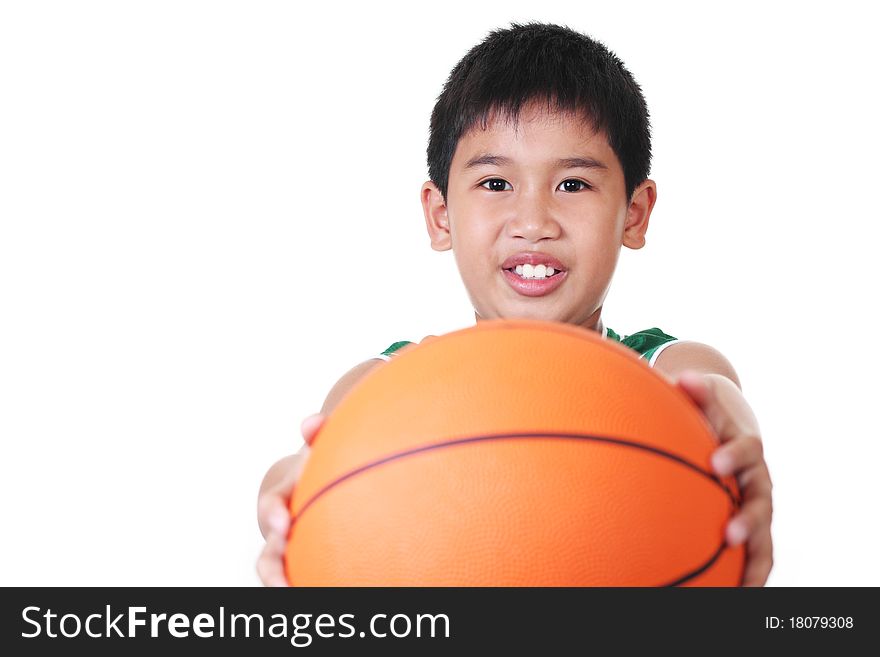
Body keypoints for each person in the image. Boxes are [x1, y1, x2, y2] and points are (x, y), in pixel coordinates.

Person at [257, 21, 773, 587]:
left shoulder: (662, 373)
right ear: (440, 214)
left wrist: (733, 436)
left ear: (635, 212)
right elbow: (310, 469)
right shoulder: (386, 388)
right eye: (496, 184)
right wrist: (292, 493)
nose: (533, 223)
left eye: (573, 185)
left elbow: (718, 397)